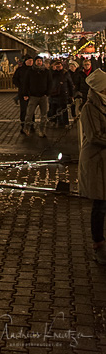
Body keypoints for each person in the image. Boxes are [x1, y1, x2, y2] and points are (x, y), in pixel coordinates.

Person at [78, 68, 106, 265]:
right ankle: (98, 243)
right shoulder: (90, 108)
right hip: (96, 160)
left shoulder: (103, 103)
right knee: (100, 204)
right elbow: (95, 135)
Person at [22, 55, 51, 137]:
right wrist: (25, 93)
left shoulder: (46, 71)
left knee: (44, 115)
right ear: (35, 62)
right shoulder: (30, 71)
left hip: (43, 96)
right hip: (33, 96)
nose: (39, 62)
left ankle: (42, 131)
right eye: (38, 61)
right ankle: (26, 128)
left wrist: (48, 92)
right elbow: (26, 83)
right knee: (29, 114)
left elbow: (50, 82)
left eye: (40, 61)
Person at [48, 59, 74, 127]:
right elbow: (48, 80)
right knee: (53, 109)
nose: (58, 68)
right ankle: (53, 121)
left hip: (63, 94)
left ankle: (65, 123)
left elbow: (70, 84)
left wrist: (71, 94)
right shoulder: (52, 73)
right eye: (57, 66)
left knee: (64, 109)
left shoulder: (65, 73)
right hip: (54, 94)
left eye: (59, 66)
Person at [12, 57, 34, 133]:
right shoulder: (20, 70)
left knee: (31, 110)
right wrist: (21, 86)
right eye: (29, 61)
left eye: (32, 61)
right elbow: (15, 79)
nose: (31, 62)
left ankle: (31, 125)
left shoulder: (34, 70)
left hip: (32, 93)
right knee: (24, 110)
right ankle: (23, 126)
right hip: (23, 92)